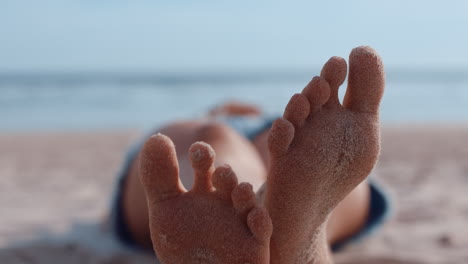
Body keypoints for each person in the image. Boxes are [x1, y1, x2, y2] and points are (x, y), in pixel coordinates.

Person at [109, 46, 389, 263]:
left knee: (208, 143)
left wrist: (220, 113)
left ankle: (253, 218)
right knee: (306, 158)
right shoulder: (285, 124)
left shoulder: (213, 119)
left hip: (243, 127)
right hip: (277, 127)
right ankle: (295, 237)